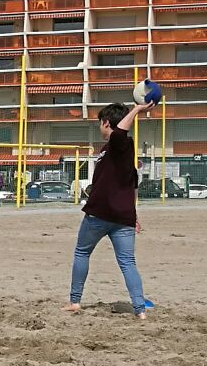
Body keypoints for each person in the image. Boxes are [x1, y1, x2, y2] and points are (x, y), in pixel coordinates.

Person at [65, 102, 154, 320]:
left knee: (83, 252)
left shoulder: (120, 143)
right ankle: (140, 310)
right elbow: (133, 185)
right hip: (122, 216)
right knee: (127, 262)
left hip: (101, 214)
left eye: (100, 123)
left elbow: (120, 133)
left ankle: (75, 301)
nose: (100, 127)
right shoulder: (115, 151)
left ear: (106, 123)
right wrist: (134, 214)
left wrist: (136, 110)